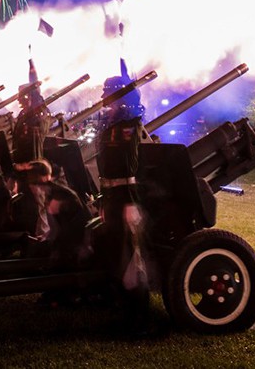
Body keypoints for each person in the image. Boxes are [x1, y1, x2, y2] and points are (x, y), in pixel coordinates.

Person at [94, 59, 151, 332]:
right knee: (116, 251)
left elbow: (127, 164)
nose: (104, 98)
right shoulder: (112, 121)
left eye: (109, 93)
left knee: (131, 256)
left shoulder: (129, 121)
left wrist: (129, 202)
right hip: (111, 194)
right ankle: (120, 304)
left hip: (124, 194)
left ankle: (138, 315)